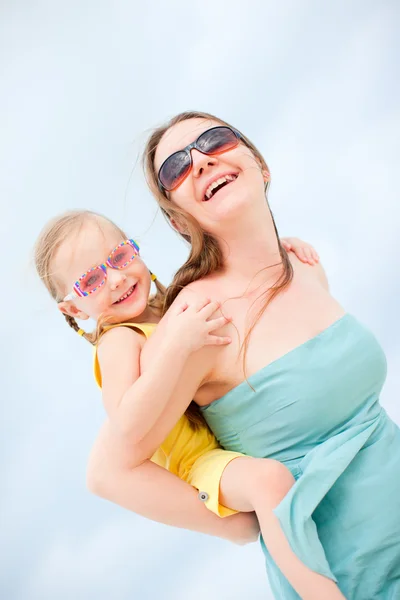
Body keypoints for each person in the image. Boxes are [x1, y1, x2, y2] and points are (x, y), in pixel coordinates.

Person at [87, 111, 400, 599]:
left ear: (259, 163)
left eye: (214, 140)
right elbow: (110, 470)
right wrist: (235, 524)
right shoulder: (196, 318)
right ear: (176, 220)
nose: (201, 160)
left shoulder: (302, 264)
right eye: (176, 168)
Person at [34, 209, 344, 599]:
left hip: (233, 434)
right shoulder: (119, 340)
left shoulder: (169, 305)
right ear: (74, 309)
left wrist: (276, 251)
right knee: (270, 483)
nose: (116, 279)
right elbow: (127, 422)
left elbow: (229, 286)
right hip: (201, 463)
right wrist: (176, 348)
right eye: (91, 280)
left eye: (119, 257)